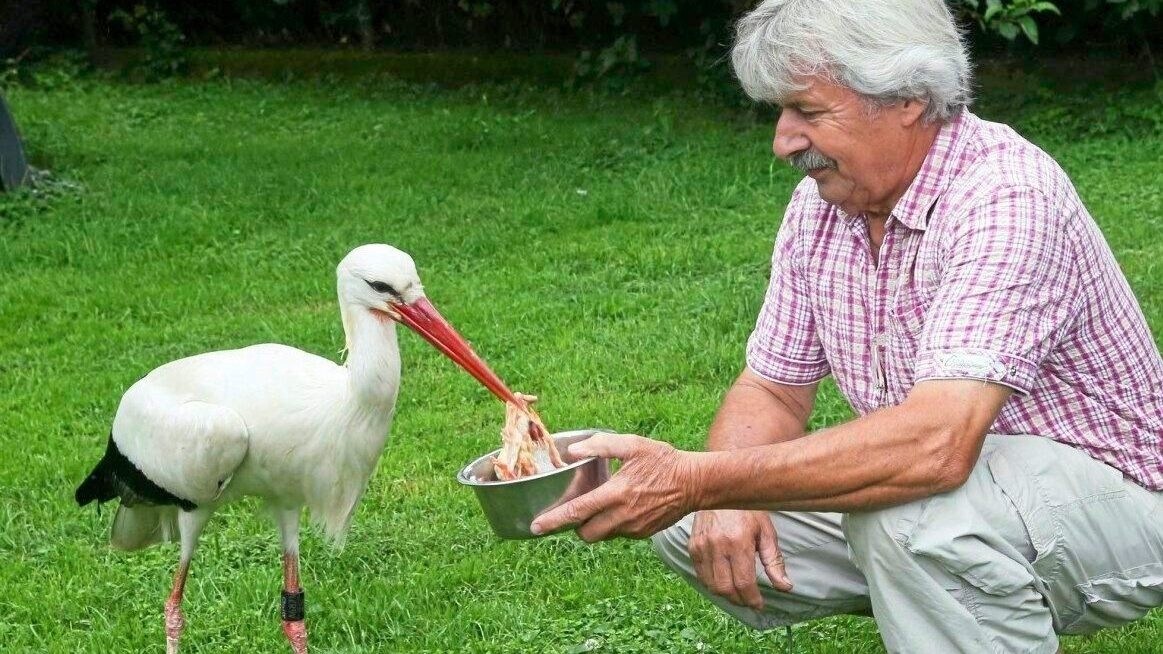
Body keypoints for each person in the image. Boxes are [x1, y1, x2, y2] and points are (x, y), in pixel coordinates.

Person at [530, 0, 1163, 651]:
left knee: (905, 513)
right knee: (694, 515)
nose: (782, 141)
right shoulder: (821, 205)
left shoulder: (1004, 198)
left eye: (807, 111)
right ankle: (940, 594)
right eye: (780, 111)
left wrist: (699, 475)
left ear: (908, 100)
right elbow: (772, 389)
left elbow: (935, 448)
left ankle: (947, 585)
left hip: (1126, 500)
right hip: (972, 497)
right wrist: (711, 490)